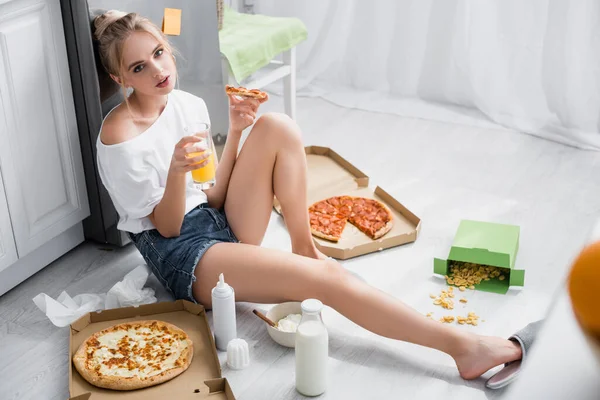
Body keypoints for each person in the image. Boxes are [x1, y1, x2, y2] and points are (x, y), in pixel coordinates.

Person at [94, 10, 522, 380]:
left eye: (158, 53)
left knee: (278, 126)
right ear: (118, 78)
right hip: (183, 257)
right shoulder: (120, 136)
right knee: (331, 280)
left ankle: (304, 247)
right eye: (138, 68)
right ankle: (464, 349)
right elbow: (167, 227)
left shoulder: (186, 104)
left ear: (167, 47)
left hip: (214, 224)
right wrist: (174, 169)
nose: (157, 71)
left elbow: (215, 196)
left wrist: (238, 131)